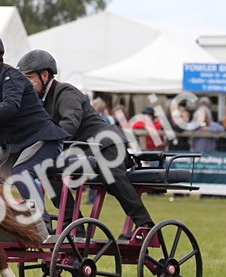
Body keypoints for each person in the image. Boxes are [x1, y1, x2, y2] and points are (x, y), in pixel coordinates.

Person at [15, 49, 154, 233]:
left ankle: (145, 224)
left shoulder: (65, 92)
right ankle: (73, 223)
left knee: (111, 174)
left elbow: (70, 122)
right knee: (46, 170)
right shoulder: (39, 102)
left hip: (106, 143)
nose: (25, 83)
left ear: (45, 75)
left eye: (28, 77)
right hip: (81, 151)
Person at [0, 31, 66, 229]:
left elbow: (11, 106)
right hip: (14, 146)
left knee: (21, 173)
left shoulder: (12, 77)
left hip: (42, 140)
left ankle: (43, 224)